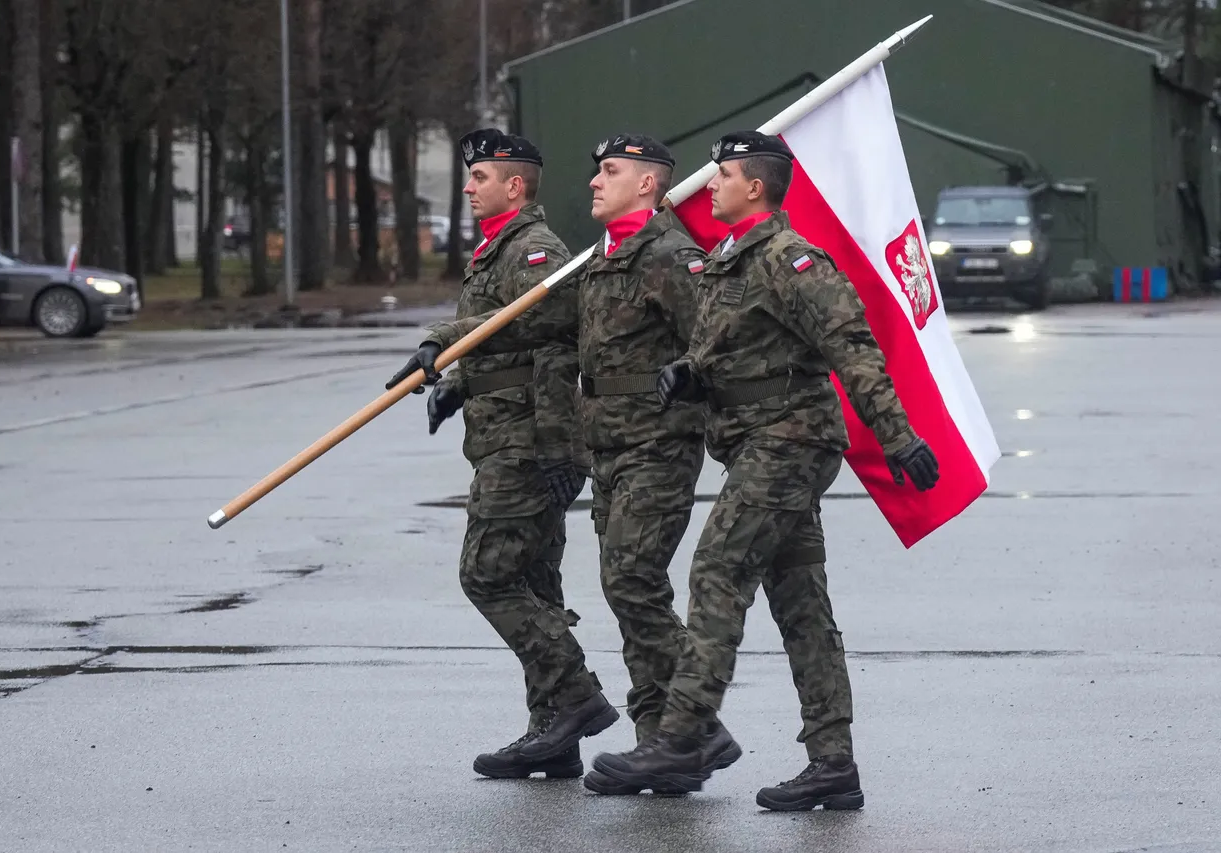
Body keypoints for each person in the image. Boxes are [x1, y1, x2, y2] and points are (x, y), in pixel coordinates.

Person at [589, 130, 940, 811]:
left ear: (755, 186)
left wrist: (898, 436)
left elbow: (851, 345)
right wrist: (691, 375)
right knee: (800, 602)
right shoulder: (728, 262)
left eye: (722, 174)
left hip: (790, 444)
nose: (709, 184)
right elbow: (735, 348)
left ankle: (683, 735)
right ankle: (833, 763)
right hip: (755, 443)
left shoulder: (791, 258)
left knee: (718, 569)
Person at [390, 133, 741, 795]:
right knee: (609, 585)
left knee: (612, 580)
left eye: (610, 171)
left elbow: (712, 341)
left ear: (647, 183)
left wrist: (558, 444)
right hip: (606, 440)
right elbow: (537, 330)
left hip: (643, 442)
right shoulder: (601, 259)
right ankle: (650, 739)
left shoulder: (650, 254)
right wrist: (457, 372)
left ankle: (676, 724)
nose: (594, 182)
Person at [385, 128, 618, 780]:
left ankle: (574, 696)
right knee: (535, 584)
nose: (468, 186)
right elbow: (506, 344)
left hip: (528, 443)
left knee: (486, 575)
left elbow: (543, 323)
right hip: (508, 435)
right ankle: (554, 733)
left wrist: (441, 338)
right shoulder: (498, 250)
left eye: (480, 177)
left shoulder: (536, 251)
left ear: (515, 185)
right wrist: (458, 385)